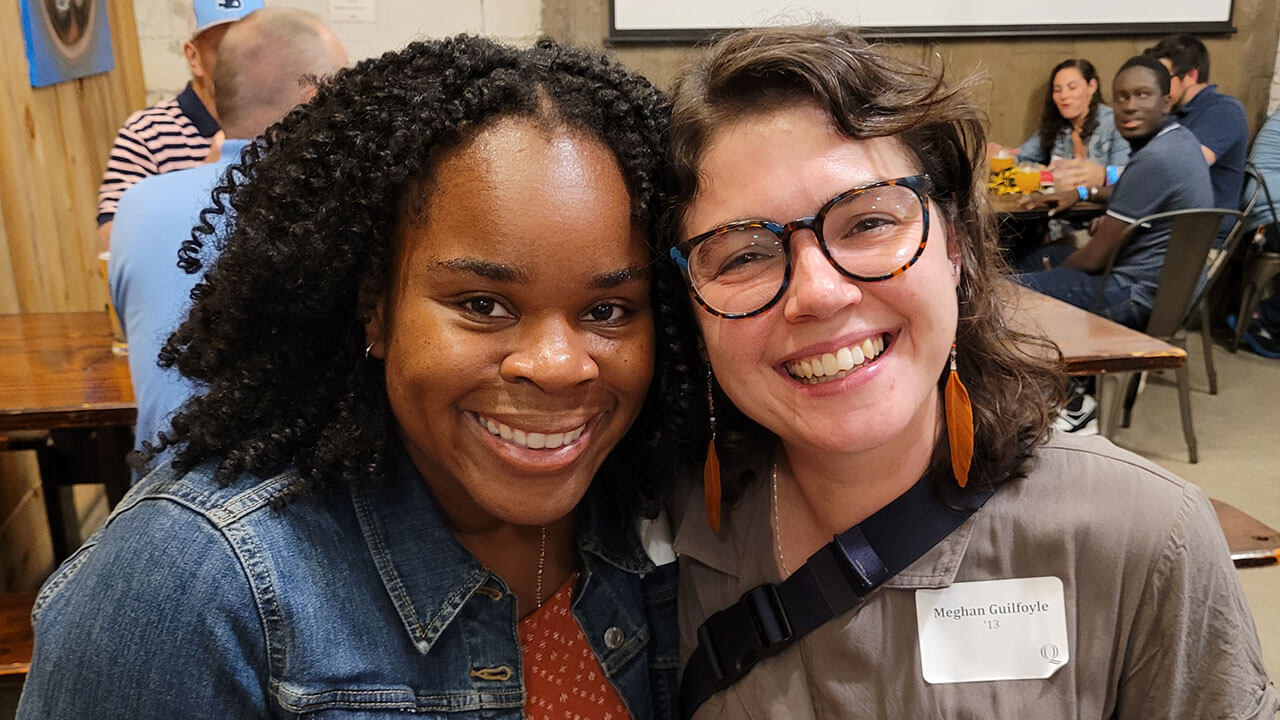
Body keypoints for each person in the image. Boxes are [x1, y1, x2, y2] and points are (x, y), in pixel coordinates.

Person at [19, 35, 681, 720]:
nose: (557, 367)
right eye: (483, 306)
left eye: (606, 310)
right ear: (376, 308)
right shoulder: (192, 583)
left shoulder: (649, 511)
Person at [659, 24, 1276, 719]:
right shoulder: (654, 541)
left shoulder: (1142, 538)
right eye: (741, 255)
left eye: (867, 223)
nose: (820, 292)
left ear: (953, 244)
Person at [109, 7, 347, 459]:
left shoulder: (137, 205)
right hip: (292, 501)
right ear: (318, 99)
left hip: (157, 487)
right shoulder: (339, 204)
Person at [1015, 56, 1212, 331]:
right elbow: (1133, 191)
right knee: (1026, 261)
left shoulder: (1155, 159)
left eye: (1142, 95)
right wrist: (1083, 193)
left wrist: (1055, 275)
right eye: (1122, 97)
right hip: (1168, 293)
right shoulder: (1182, 141)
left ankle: (1059, 371)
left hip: (1134, 296)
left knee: (1008, 291)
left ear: (1166, 102)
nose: (1130, 107)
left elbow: (1094, 258)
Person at [95, 0, 264, 252]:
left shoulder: (281, 121)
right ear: (193, 57)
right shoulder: (146, 133)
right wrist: (205, 178)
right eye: (224, 51)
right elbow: (111, 239)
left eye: (253, 51)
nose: (240, 65)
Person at [1145, 34, 1248, 225]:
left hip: (1197, 238)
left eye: (1163, 78)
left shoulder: (1225, 110)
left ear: (1190, 76)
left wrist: (1107, 175)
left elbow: (1184, 167)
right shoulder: (1168, 111)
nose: (1156, 86)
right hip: (1157, 225)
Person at [1003, 59, 1129, 169]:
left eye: (1072, 88)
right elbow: (1021, 157)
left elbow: (1122, 176)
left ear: (1092, 86)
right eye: (1057, 90)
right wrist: (1003, 155)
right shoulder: (1056, 123)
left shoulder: (1116, 123)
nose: (1063, 96)